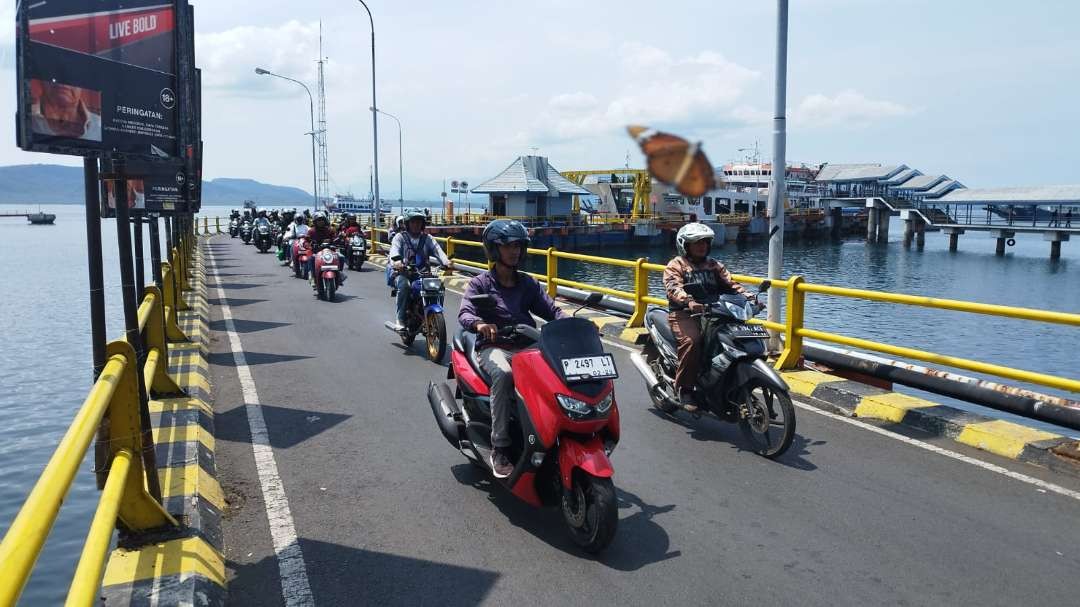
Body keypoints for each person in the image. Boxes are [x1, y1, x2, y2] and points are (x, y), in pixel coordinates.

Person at [458, 220, 566, 478]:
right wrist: (480, 324)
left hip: (527, 347)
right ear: (494, 250)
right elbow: (465, 312)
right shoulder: (480, 284)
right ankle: (500, 447)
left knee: (556, 375)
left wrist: (573, 323)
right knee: (504, 375)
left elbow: (551, 310)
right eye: (508, 246)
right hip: (495, 347)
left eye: (518, 246)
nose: (515, 251)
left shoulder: (527, 284)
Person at [662, 223, 753, 413]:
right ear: (685, 245)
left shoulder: (713, 265)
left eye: (704, 242)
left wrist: (750, 297)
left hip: (714, 312)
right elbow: (672, 287)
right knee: (693, 342)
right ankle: (685, 389)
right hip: (684, 313)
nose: (702, 246)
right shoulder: (676, 265)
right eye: (697, 243)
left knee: (733, 339)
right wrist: (688, 301)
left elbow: (731, 284)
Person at [388, 209, 452, 330]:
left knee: (439, 286)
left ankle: (433, 313)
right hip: (404, 273)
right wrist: (397, 262)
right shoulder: (400, 237)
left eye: (419, 222)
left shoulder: (427, 238)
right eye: (413, 222)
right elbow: (394, 251)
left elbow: (438, 250)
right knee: (404, 285)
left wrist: (446, 262)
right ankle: (400, 318)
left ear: (423, 224)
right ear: (407, 223)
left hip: (423, 274)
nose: (416, 225)